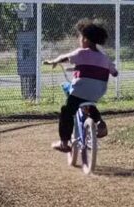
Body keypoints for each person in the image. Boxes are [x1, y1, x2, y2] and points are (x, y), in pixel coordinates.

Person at [45, 19, 118, 152]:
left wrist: (53, 61)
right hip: (98, 91)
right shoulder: (104, 57)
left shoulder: (81, 53)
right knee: (88, 104)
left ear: (85, 39)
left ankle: (64, 143)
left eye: (80, 36)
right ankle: (100, 122)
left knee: (67, 111)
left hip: (80, 89)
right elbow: (115, 72)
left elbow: (65, 57)